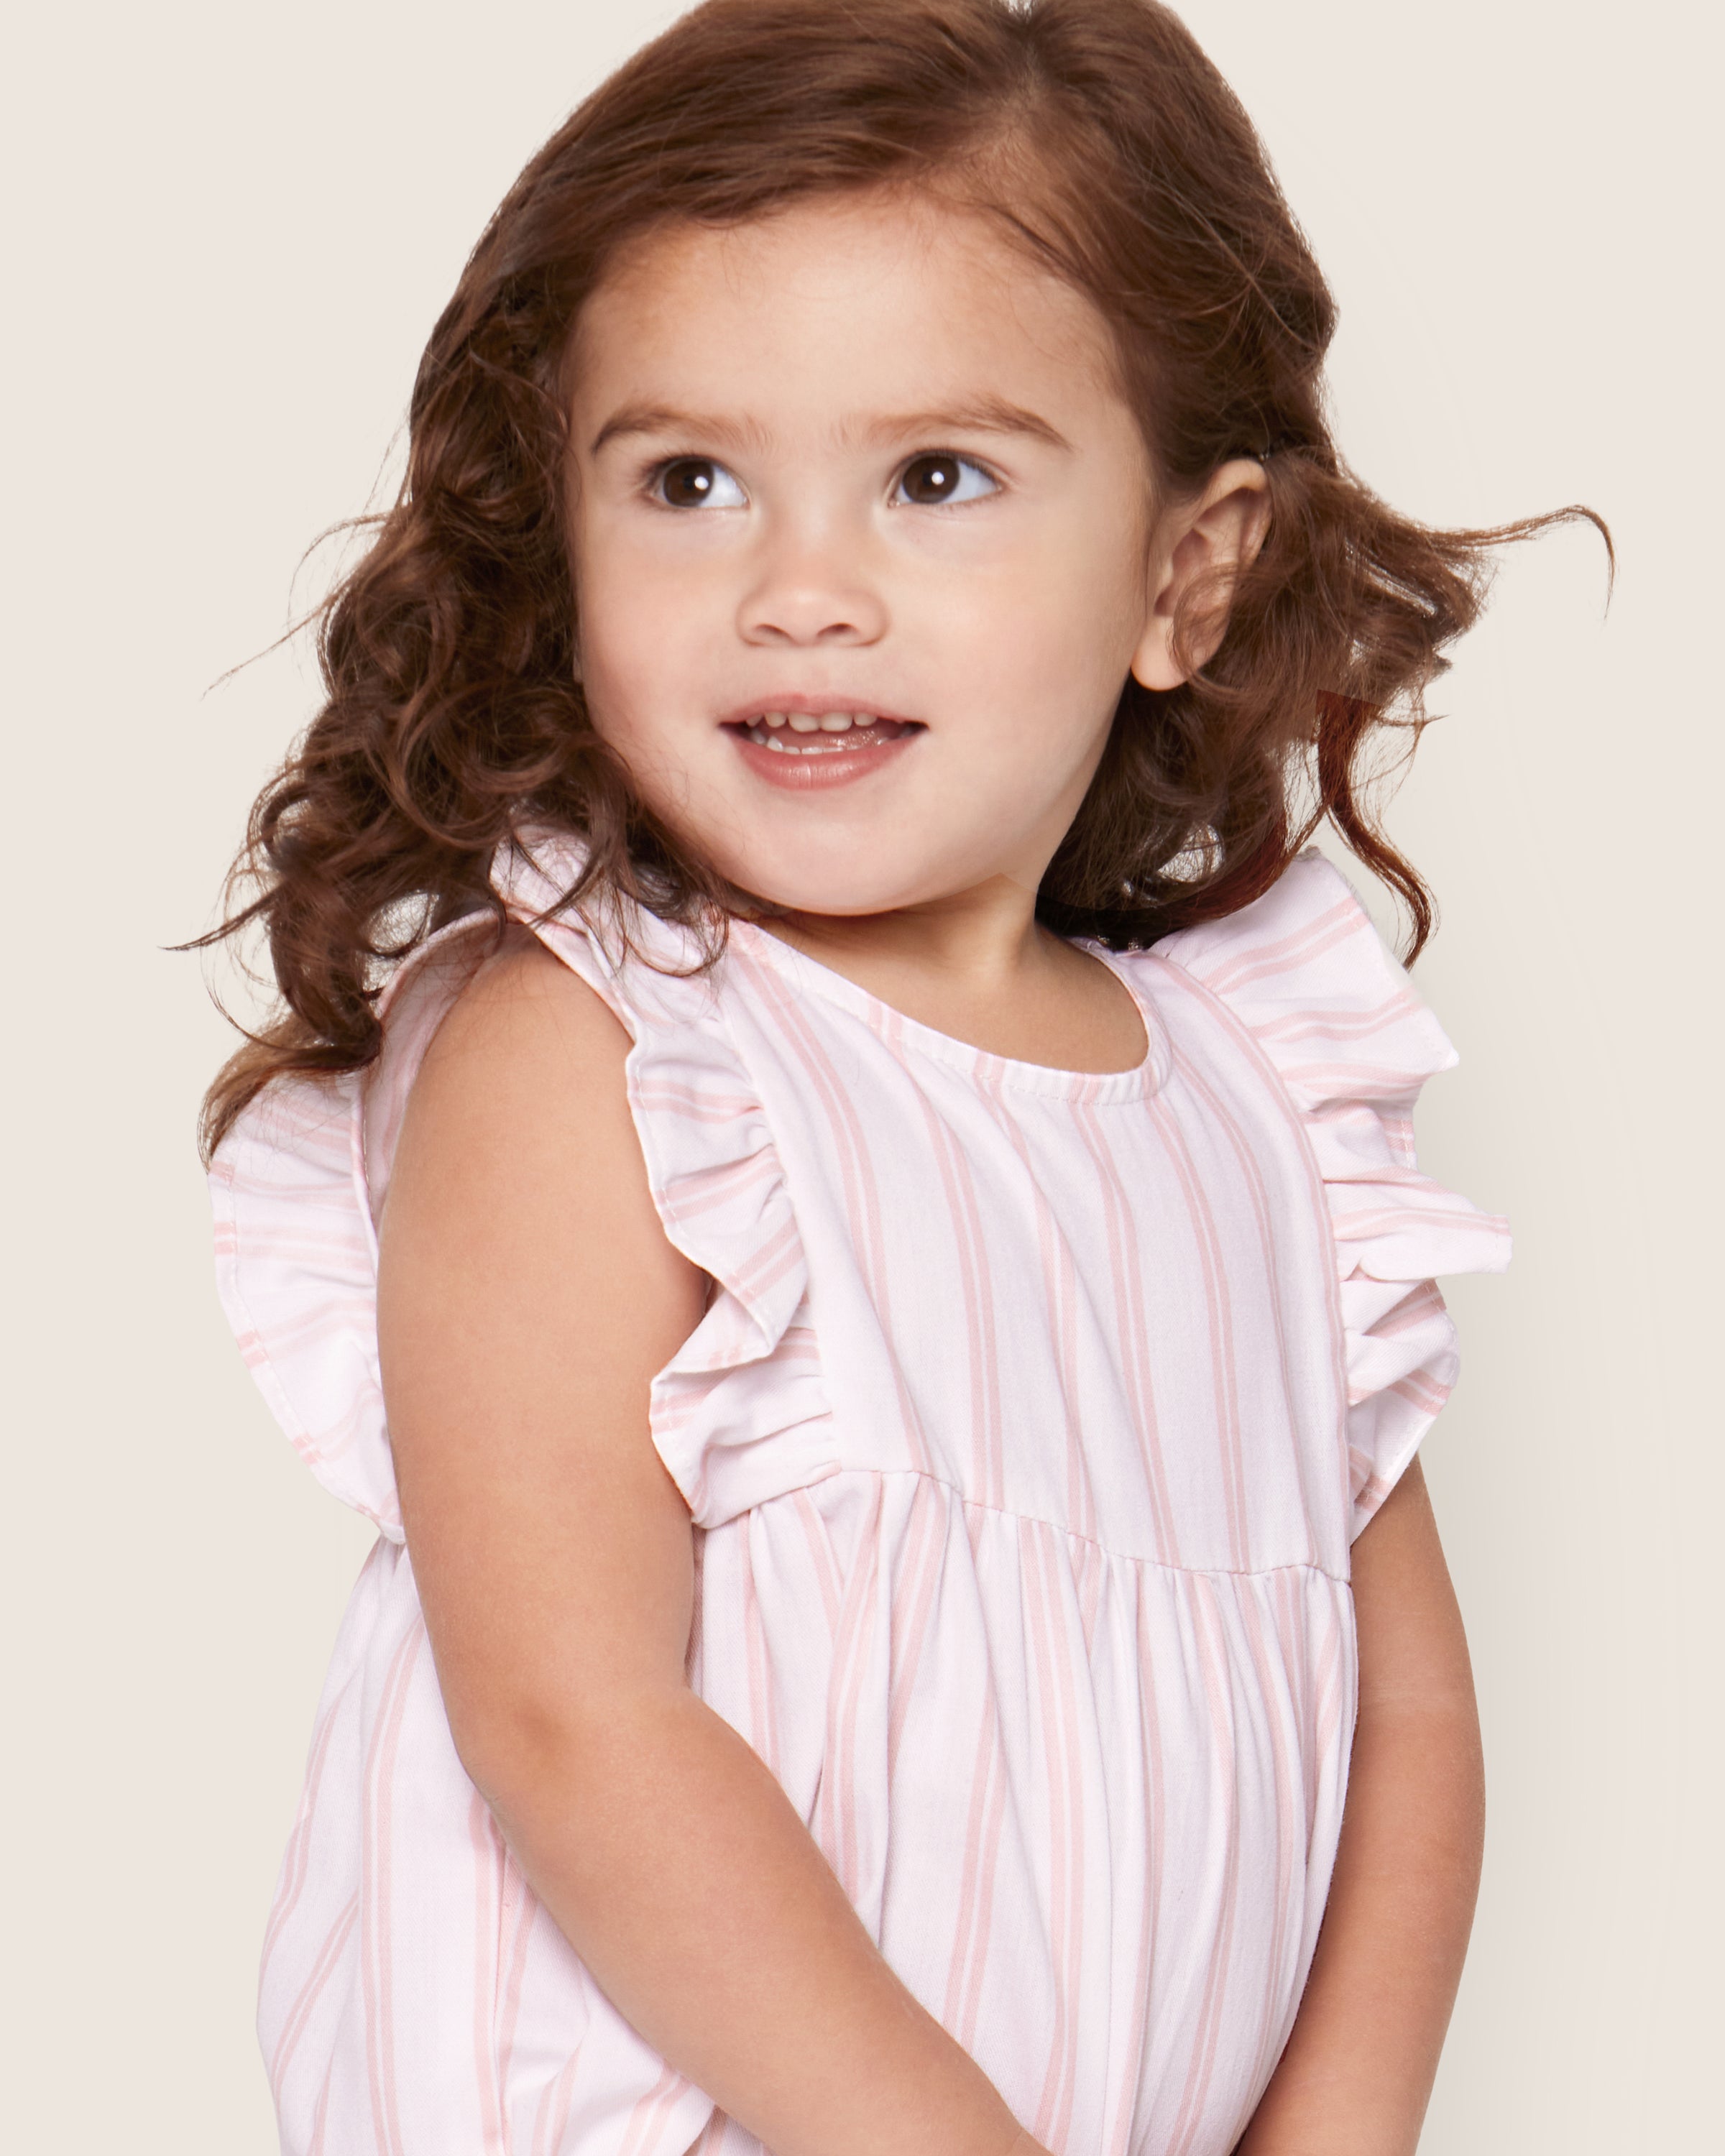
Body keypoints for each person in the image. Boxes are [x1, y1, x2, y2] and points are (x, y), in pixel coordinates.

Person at [199, 2, 1596, 2150]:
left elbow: (1408, 1717)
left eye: (936, 479)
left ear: (1182, 576)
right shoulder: (597, 1051)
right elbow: (568, 1718)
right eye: (689, 481)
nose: (801, 592)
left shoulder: (1266, 1109)